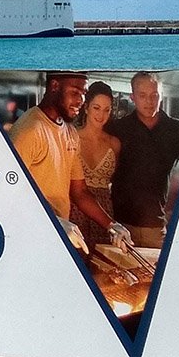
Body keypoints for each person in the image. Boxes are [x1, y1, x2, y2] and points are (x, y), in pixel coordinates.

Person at [9, 72, 132, 254]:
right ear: (55, 86)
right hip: (33, 234)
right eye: (75, 92)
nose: (81, 100)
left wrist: (112, 225)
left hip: (57, 235)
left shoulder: (70, 132)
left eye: (83, 93)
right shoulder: (30, 130)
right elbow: (9, 193)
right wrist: (54, 221)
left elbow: (79, 192)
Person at [107, 71, 179, 249]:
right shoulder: (118, 128)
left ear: (162, 96)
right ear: (132, 97)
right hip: (119, 225)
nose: (149, 101)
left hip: (156, 228)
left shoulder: (177, 131)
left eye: (154, 95)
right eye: (142, 95)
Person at [73, 81, 121, 248]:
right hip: (75, 208)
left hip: (104, 209)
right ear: (86, 107)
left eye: (107, 110)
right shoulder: (71, 137)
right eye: (96, 108)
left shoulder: (114, 143)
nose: (101, 115)